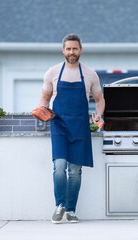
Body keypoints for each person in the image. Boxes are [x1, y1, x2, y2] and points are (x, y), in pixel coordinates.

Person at [38, 33, 105, 223]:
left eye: (75, 48)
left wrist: (99, 114)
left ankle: (71, 210)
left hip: (80, 126)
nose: (71, 52)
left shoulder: (90, 74)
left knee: (75, 171)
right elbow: (45, 97)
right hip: (59, 124)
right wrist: (43, 109)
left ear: (80, 50)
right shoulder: (52, 73)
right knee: (59, 167)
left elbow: (99, 100)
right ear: (63, 50)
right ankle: (59, 205)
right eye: (68, 49)